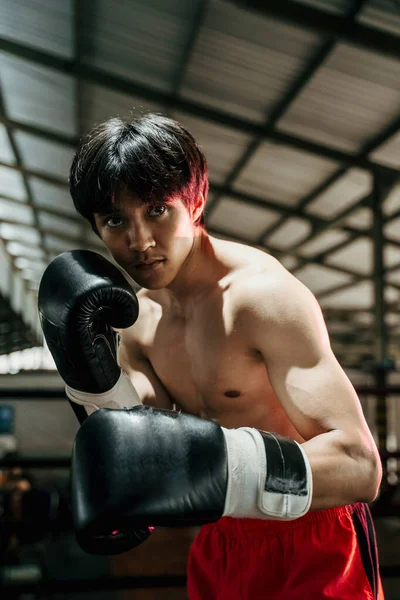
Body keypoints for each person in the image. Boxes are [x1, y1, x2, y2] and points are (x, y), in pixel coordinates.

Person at [39, 114, 383, 599]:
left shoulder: (263, 300)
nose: (139, 242)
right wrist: (83, 372)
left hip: (316, 535)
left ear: (196, 201)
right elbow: (136, 451)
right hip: (223, 538)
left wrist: (221, 469)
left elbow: (359, 466)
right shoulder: (136, 322)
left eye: (157, 209)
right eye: (116, 220)